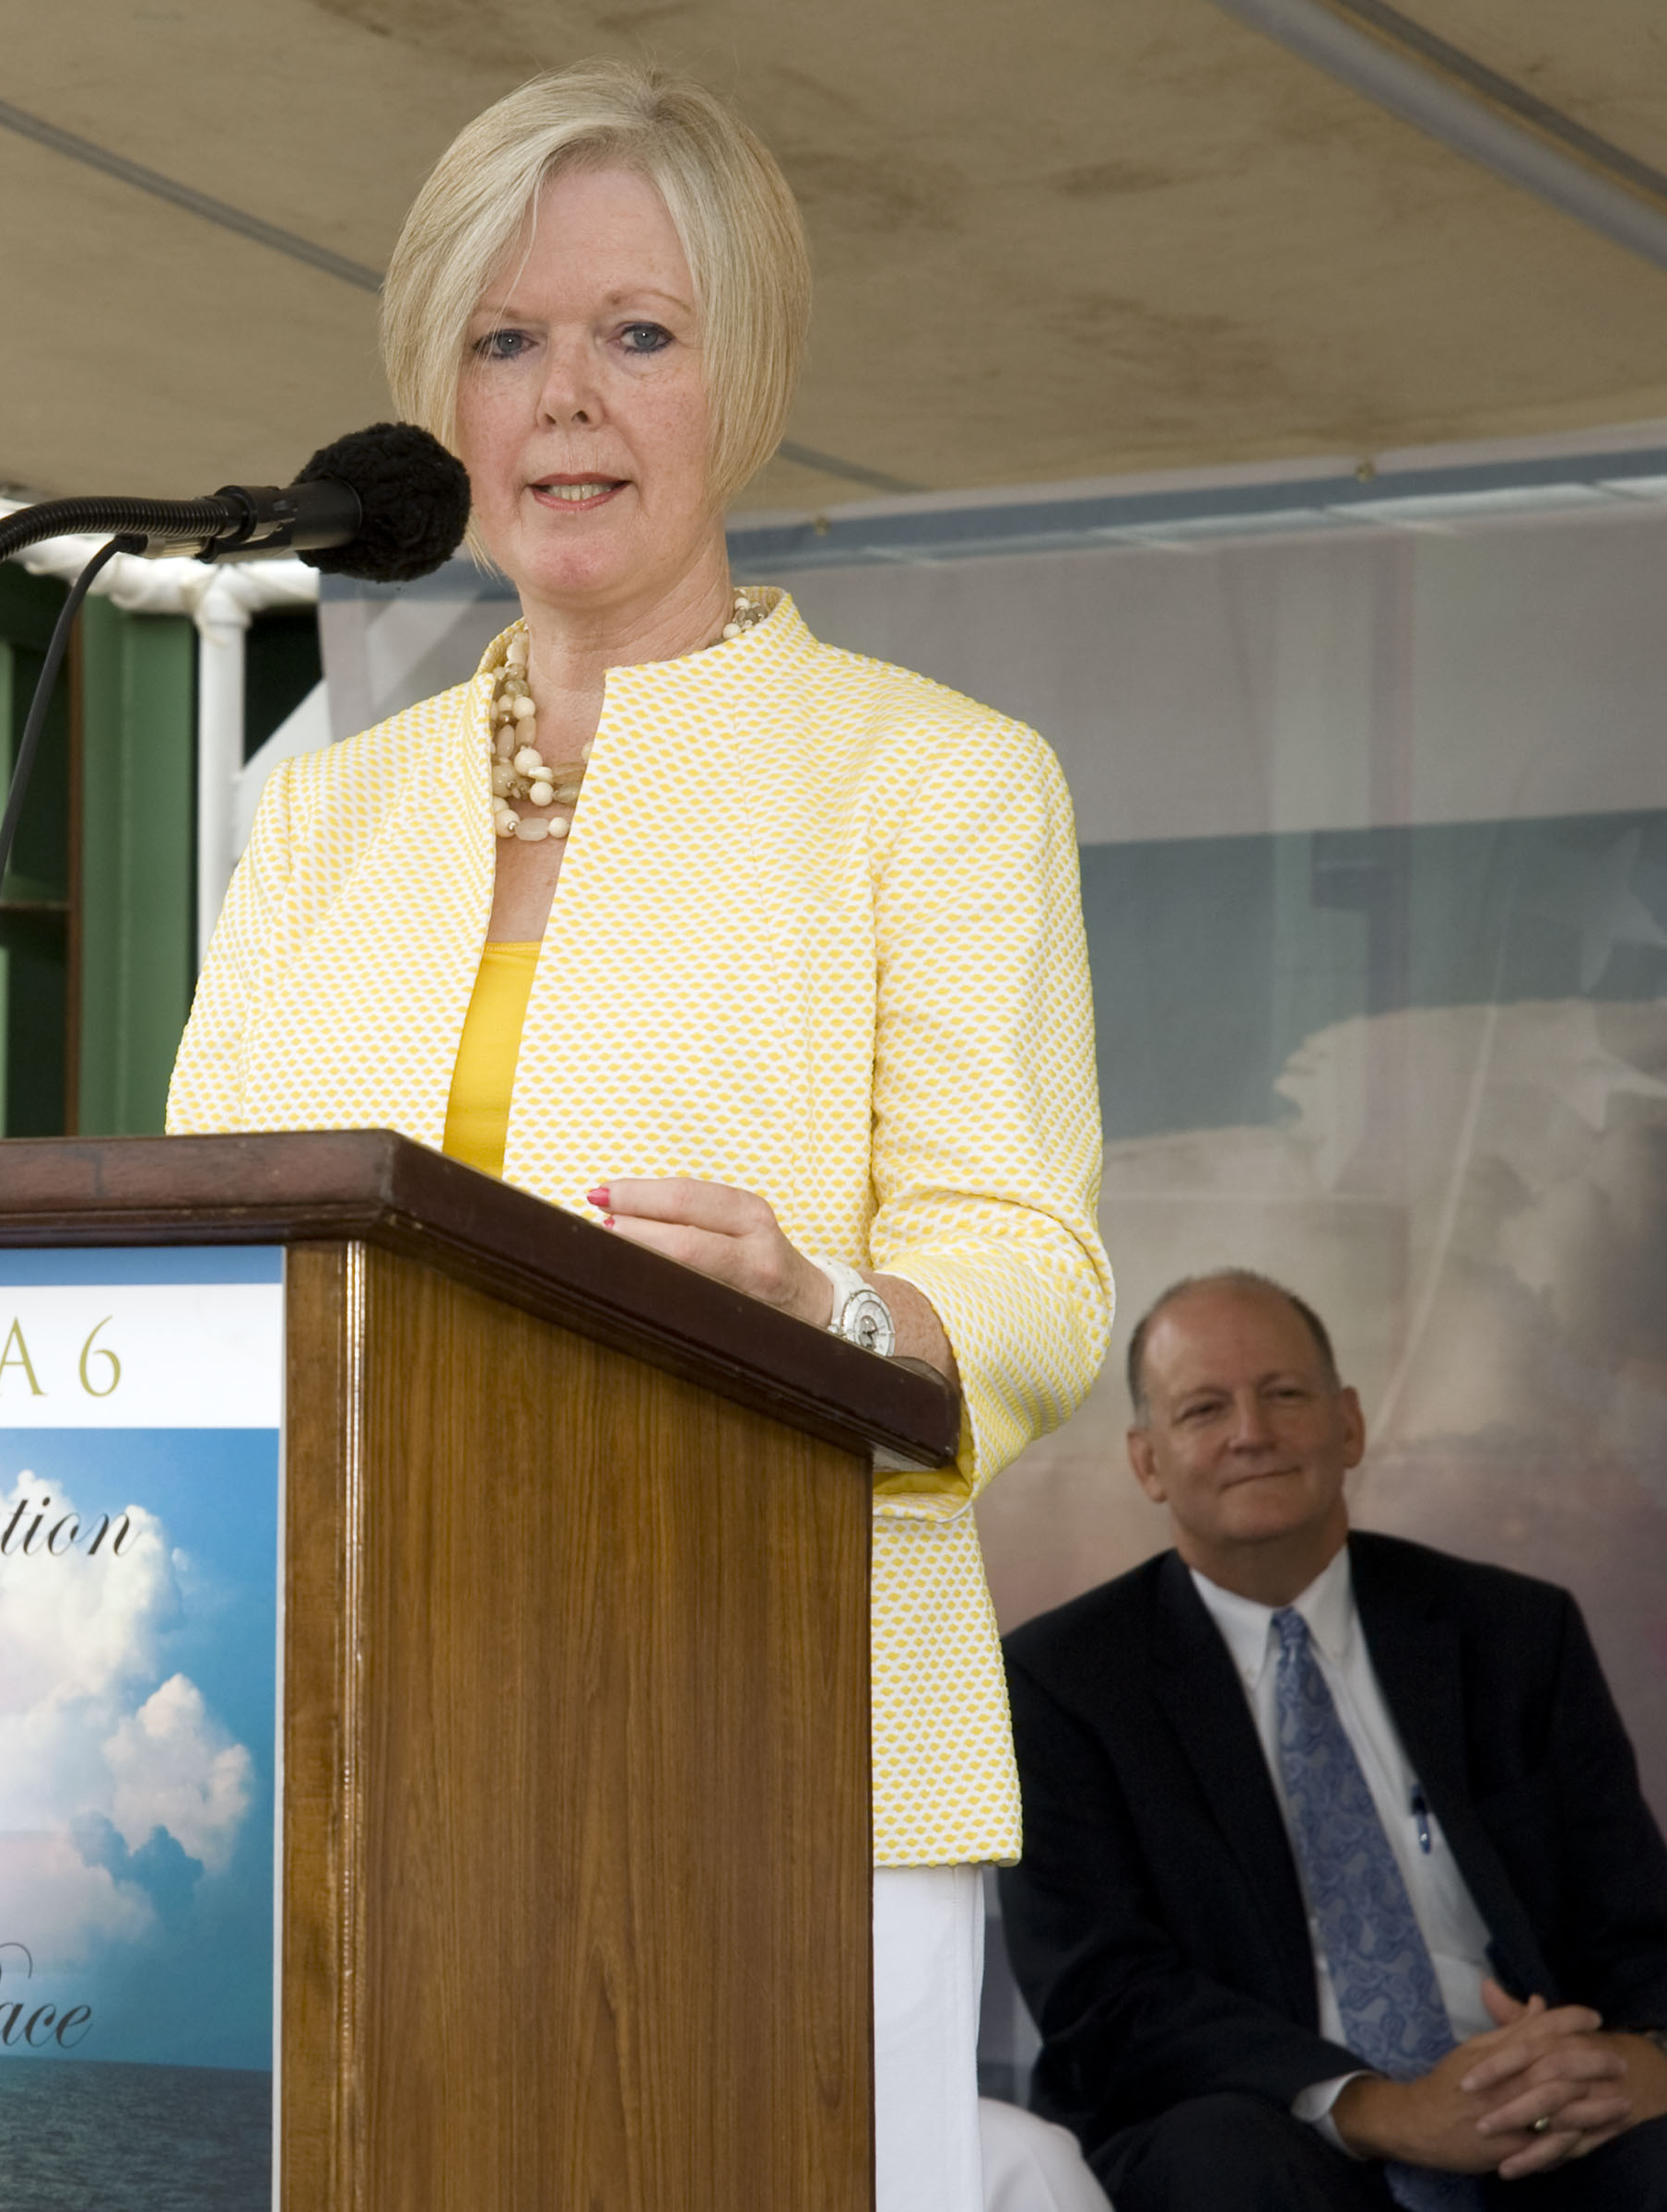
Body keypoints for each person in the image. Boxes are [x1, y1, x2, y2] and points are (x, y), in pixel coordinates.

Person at [166, 60, 1113, 2209]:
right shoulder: (315, 813)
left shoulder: (936, 782)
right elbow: (216, 1252)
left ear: (744, 373)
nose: (565, 400)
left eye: (638, 333)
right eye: (506, 340)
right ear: (440, 400)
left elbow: (1035, 1276)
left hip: (785, 1738)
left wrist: (822, 1307)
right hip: (353, 1742)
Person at [999, 1270, 1667, 2209]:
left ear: (1347, 1425)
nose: (1251, 1432)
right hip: (1269, 2121)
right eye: (1204, 1409)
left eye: (1283, 1394)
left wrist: (1639, 2056)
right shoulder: (1061, 1683)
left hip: (1535, 2109)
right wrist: (1387, 2109)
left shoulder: (1516, 1634)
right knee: (1229, 2164)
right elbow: (1104, 2001)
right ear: (1148, 1462)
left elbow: (1633, 1922)